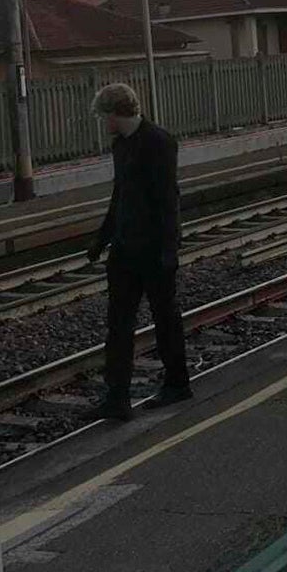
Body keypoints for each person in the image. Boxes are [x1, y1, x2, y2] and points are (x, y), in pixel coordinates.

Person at [88, 82, 192, 419]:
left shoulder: (159, 142)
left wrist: (169, 249)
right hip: (124, 248)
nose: (103, 123)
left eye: (104, 116)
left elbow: (168, 200)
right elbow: (119, 195)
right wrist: (102, 238)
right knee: (118, 324)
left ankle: (177, 383)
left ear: (116, 113)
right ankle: (117, 397)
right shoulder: (121, 145)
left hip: (153, 248)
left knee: (165, 318)